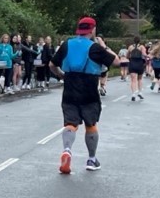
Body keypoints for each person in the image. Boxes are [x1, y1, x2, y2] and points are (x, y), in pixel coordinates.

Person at [50, 17, 116, 173]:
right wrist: (104, 46)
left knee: (70, 123)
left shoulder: (67, 44)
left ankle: (67, 150)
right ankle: (92, 160)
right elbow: (117, 62)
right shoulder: (95, 48)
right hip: (89, 87)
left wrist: (61, 75)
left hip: (70, 86)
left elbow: (52, 64)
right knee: (91, 124)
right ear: (92, 30)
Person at [126, 36, 147, 101]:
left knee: (133, 80)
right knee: (140, 79)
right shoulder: (141, 47)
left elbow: (127, 56)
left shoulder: (130, 47)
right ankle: (140, 92)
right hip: (139, 63)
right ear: (139, 41)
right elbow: (144, 54)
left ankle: (133, 94)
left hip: (132, 63)